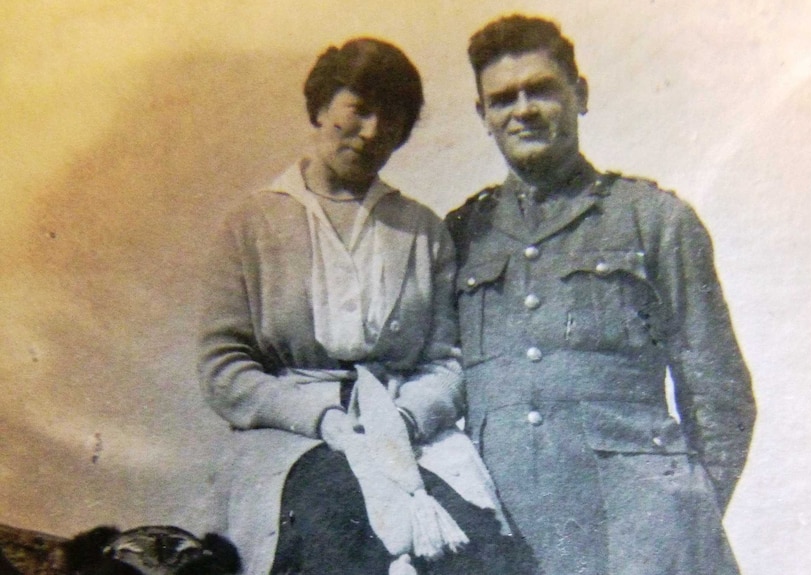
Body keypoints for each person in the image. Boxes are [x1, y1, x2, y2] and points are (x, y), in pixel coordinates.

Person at [445, 15, 757, 575]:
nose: (523, 110)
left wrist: (684, 519)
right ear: (483, 117)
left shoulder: (654, 220)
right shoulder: (461, 235)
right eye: (502, 99)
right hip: (509, 538)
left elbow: (720, 393)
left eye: (541, 89)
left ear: (580, 95)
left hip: (640, 537)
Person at [198, 38, 516, 575]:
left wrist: (407, 419)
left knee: (475, 546)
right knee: (338, 526)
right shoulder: (251, 224)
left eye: (391, 121)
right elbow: (224, 367)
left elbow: (446, 361)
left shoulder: (421, 231)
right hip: (293, 437)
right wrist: (321, 418)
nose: (372, 132)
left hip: (411, 433)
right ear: (321, 107)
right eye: (359, 110)